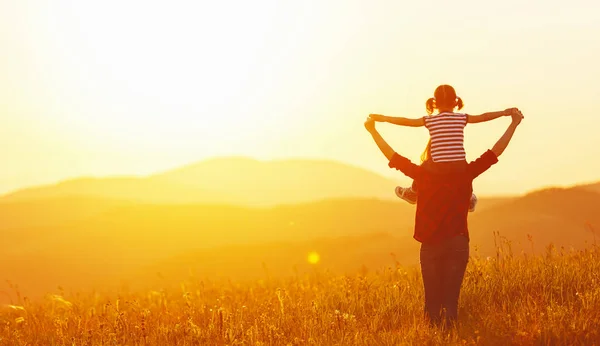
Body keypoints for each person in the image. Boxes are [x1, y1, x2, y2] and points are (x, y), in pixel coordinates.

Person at [364, 108, 523, 327]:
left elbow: (392, 156)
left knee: (432, 307)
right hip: (458, 240)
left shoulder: (423, 174)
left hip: (430, 241)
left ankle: (412, 193)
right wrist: (513, 123)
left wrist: (373, 131)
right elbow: (495, 152)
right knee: (451, 306)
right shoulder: (465, 172)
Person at [369, 84, 517, 212]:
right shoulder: (462, 118)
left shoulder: (430, 120)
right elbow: (484, 116)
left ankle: (413, 191)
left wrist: (384, 118)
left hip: (437, 167)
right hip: (459, 167)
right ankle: (468, 198)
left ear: (434, 103)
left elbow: (406, 122)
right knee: (467, 172)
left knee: (424, 166)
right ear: (456, 102)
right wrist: (504, 113)